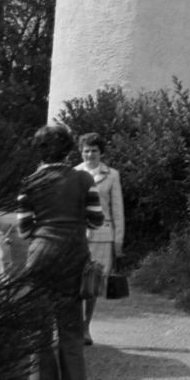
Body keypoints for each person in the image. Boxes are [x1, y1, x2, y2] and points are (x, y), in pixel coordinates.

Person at [16, 125, 103, 380]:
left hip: (40, 257)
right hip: (74, 257)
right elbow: (96, 220)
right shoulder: (83, 178)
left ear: (39, 151)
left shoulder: (29, 182)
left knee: (38, 334)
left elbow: (24, 229)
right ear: (68, 150)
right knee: (71, 332)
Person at [78, 132, 125, 345]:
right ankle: (74, 325)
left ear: (101, 152)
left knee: (93, 284)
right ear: (81, 152)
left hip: (103, 235)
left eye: (94, 150)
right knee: (75, 281)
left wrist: (118, 241)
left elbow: (117, 210)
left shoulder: (112, 175)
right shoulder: (74, 173)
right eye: (86, 150)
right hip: (77, 235)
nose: (90, 154)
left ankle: (86, 327)